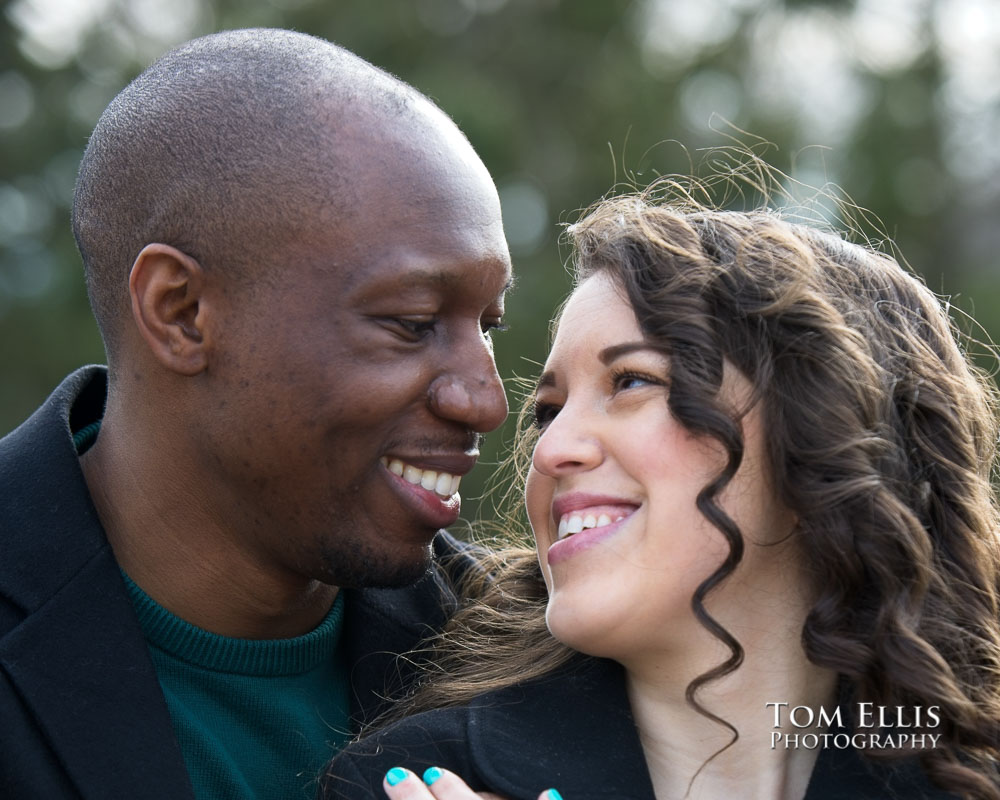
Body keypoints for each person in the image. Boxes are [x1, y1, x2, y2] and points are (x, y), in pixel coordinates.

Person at [321, 184, 1000, 799]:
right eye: (549, 410)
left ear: (825, 428)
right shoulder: (413, 781)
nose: (553, 450)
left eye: (631, 382)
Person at [0, 27, 517, 800]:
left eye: (489, 327)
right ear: (181, 312)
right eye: (412, 322)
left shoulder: (519, 663)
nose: (484, 399)